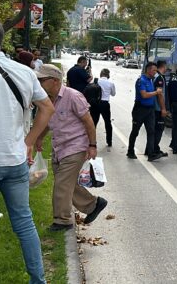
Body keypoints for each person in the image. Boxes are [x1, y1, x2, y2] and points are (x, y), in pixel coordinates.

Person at [0, 16, 54, 283]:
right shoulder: (24, 71)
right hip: (15, 160)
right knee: (24, 222)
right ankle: (39, 280)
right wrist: (29, 141)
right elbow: (47, 108)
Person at [34, 64, 108, 232]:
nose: (38, 83)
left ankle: (62, 220)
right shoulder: (47, 99)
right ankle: (93, 204)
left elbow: (88, 122)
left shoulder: (73, 96)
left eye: (41, 80)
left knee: (61, 184)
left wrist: (92, 145)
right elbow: (47, 120)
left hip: (75, 146)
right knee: (67, 184)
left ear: (54, 81)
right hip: (59, 147)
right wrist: (39, 137)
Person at [127, 62, 163, 161]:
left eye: (156, 70)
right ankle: (130, 151)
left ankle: (151, 154)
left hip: (150, 109)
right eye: (154, 70)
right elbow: (144, 95)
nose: (155, 72)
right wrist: (156, 92)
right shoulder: (141, 81)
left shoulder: (151, 80)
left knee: (151, 131)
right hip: (140, 109)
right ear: (148, 70)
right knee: (135, 131)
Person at [151, 61, 169, 157]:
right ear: (164, 66)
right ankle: (154, 150)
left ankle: (153, 149)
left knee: (154, 130)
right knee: (158, 130)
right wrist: (163, 109)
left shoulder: (155, 76)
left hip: (154, 107)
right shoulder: (159, 77)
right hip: (158, 108)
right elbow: (160, 95)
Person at [94, 69, 116, 147]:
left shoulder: (96, 81)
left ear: (101, 74)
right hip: (105, 104)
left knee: (94, 122)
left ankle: (92, 141)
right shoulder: (111, 83)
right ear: (108, 75)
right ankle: (109, 141)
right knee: (107, 122)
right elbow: (113, 94)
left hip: (95, 104)